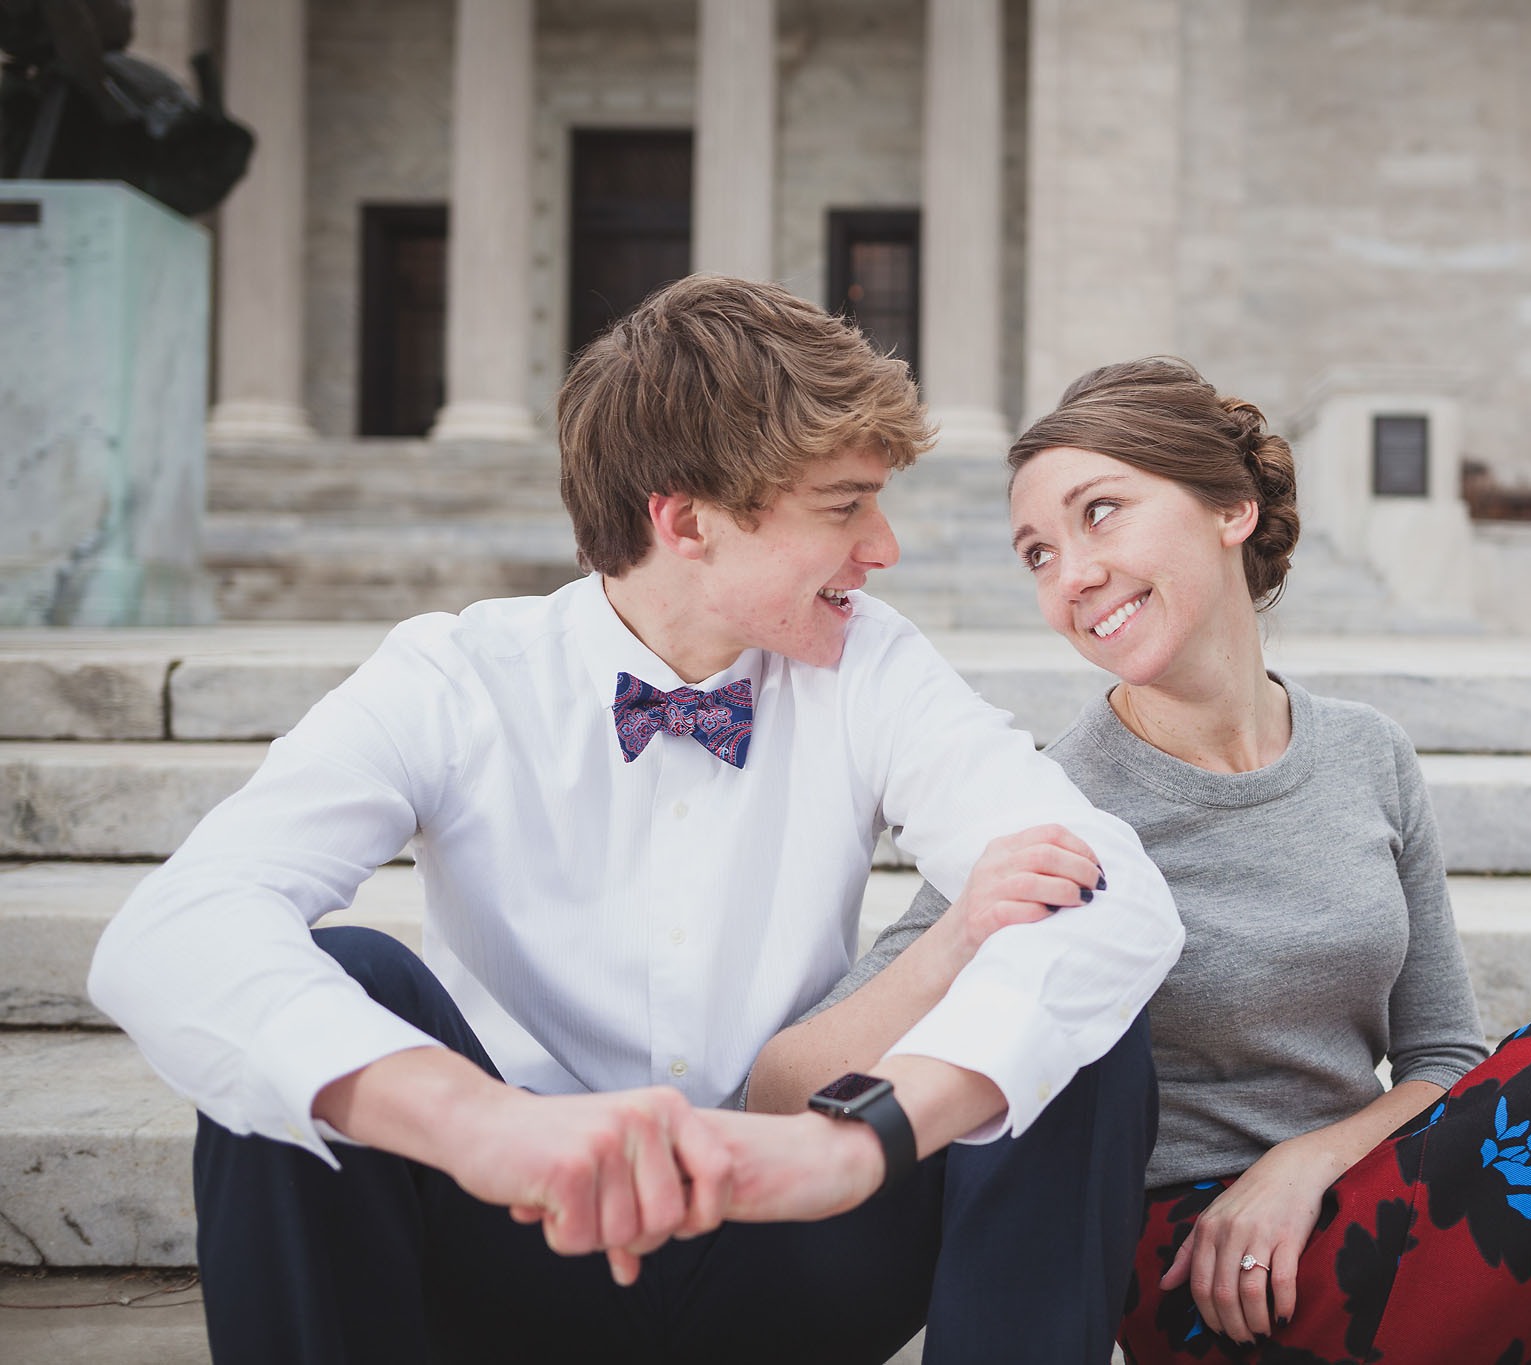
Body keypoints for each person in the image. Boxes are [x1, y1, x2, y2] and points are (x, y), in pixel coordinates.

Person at [749, 357, 1531, 1364]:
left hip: (1369, 1204)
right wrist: (970, 928)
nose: (1073, 575)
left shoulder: (1367, 755)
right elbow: (792, 1080)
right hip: (1230, 1287)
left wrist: (1310, 1154)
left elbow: (1444, 1062)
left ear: (1229, 510)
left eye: (1100, 514)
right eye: (1041, 552)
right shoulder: (1055, 799)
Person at [87, 279, 1186, 1365]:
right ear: (686, 520)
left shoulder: (871, 662)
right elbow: (175, 930)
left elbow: (1114, 896)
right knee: (348, 979)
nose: (883, 546)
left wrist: (861, 1145)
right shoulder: (457, 673)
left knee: (1072, 1015)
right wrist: (481, 1126)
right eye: (844, 505)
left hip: (793, 1231)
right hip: (511, 1238)